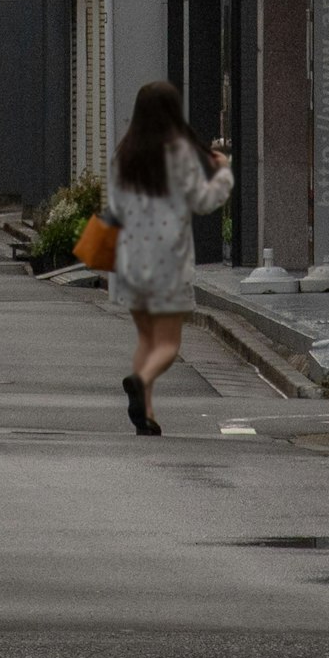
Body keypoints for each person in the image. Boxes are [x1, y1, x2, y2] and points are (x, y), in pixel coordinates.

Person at [101, 80, 232, 436]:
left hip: (131, 260)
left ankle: (148, 414)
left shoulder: (123, 154)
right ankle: (139, 380)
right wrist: (222, 173)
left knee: (147, 340)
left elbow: (115, 207)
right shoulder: (178, 154)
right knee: (170, 344)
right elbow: (204, 201)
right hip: (168, 260)